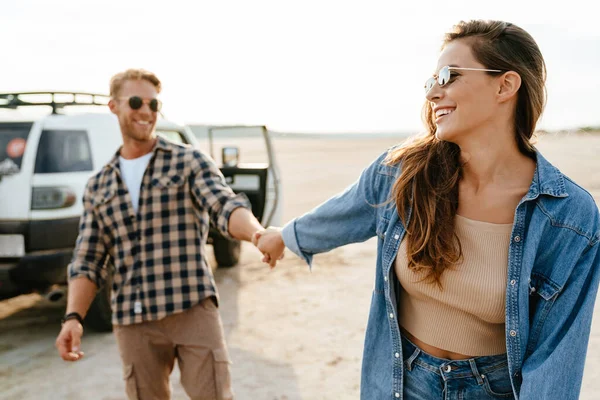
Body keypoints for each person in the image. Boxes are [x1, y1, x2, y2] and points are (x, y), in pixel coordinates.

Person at [254, 20, 600, 399]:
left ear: (505, 85)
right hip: (404, 379)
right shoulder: (403, 173)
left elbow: (556, 357)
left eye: (449, 76)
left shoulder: (569, 216)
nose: (433, 93)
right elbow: (342, 214)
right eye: (430, 81)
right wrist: (281, 237)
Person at [55, 69, 264, 400]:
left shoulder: (188, 161)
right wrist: (73, 318)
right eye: (137, 101)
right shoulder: (99, 185)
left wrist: (256, 234)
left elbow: (223, 205)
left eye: (154, 104)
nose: (147, 112)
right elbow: (88, 259)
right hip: (133, 320)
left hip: (191, 308)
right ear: (114, 106)